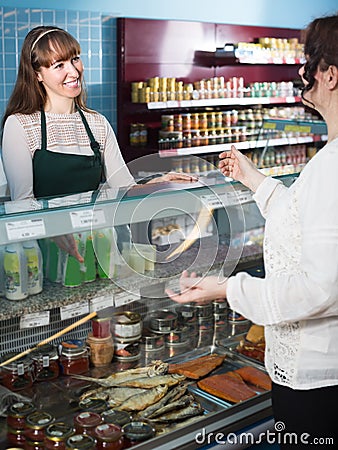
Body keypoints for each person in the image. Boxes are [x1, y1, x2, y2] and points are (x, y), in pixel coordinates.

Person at [167, 14, 338, 449]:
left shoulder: (334, 167)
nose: (301, 73)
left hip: (319, 384)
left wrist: (228, 289)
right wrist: (255, 180)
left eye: (307, 62)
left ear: (329, 75)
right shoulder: (329, 161)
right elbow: (306, 219)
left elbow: (319, 288)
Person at [1, 26, 195, 261]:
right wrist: (53, 232)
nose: (73, 72)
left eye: (75, 59)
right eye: (58, 65)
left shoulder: (97, 123)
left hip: (95, 244)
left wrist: (157, 183)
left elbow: (123, 189)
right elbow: (22, 205)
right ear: (37, 75)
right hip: (44, 252)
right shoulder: (20, 125)